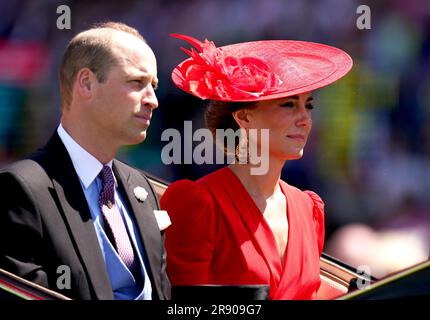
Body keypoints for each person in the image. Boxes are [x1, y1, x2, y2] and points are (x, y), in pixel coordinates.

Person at [160, 34, 352, 299]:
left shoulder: (309, 208)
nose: (305, 119)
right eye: (288, 104)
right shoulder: (197, 202)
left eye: (308, 106)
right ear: (245, 117)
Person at [0, 22, 171, 300]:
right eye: (137, 82)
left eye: (153, 85)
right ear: (86, 83)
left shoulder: (142, 189)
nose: (153, 100)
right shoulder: (20, 189)